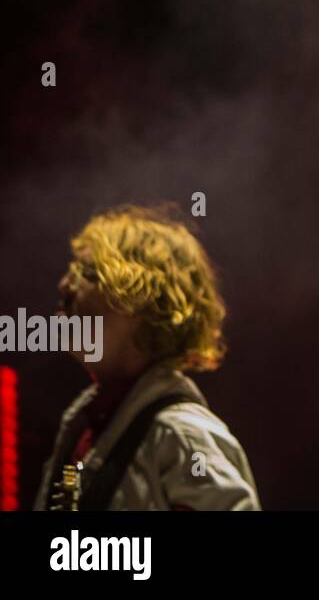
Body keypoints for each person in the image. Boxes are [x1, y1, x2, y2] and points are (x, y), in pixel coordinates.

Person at [34, 205, 260, 510]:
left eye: (87, 273)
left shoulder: (182, 436)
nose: (65, 285)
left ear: (141, 299)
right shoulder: (83, 428)